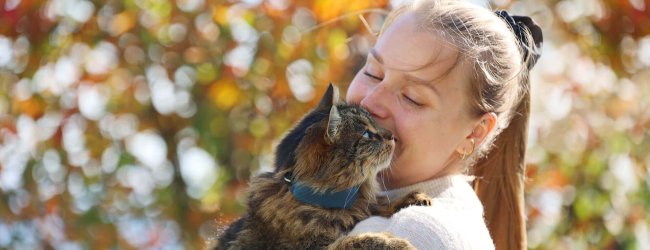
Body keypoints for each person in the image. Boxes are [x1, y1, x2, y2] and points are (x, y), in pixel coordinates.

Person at [343, 0, 543, 249]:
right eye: (373, 73)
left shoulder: (413, 233)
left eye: (412, 98)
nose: (370, 101)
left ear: (474, 133)